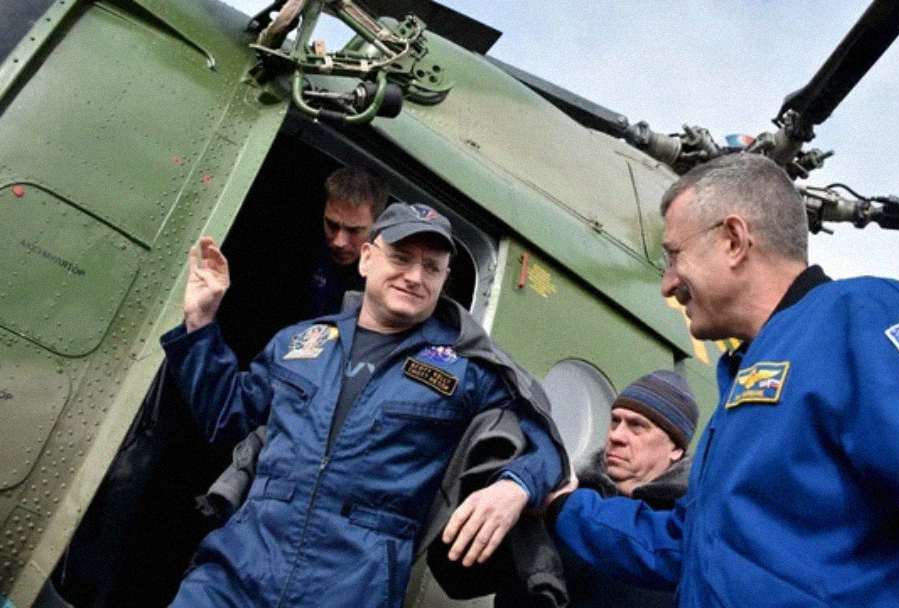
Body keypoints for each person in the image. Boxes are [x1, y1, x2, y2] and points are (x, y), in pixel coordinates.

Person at [547, 154, 899, 606]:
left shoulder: (866, 317)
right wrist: (564, 507)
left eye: (674, 255)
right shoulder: (742, 387)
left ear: (734, 240)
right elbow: (689, 547)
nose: (667, 282)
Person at [162, 202, 567, 607]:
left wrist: (514, 489)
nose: (414, 276)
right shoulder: (303, 343)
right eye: (401, 258)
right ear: (367, 259)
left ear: (445, 278)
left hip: (351, 588)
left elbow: (544, 442)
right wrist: (200, 322)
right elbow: (225, 417)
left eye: (431, 267)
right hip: (236, 572)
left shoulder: (468, 370)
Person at [498, 370, 698, 608]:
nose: (616, 435)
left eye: (636, 426)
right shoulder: (559, 496)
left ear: (676, 449)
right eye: (615, 421)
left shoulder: (679, 530)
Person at [310, 165, 389, 316]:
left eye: (354, 231)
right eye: (332, 225)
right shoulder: (306, 246)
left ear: (378, 225)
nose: (339, 242)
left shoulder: (385, 282)